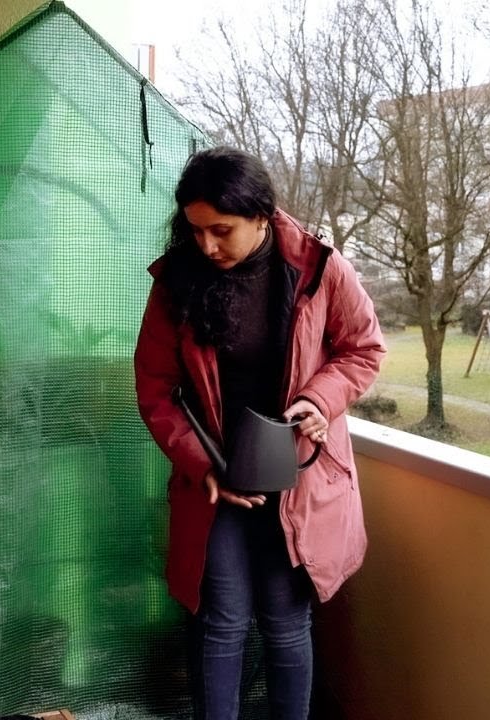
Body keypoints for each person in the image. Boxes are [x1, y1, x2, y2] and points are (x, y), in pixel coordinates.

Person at [134, 146, 386, 720]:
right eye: (195, 231)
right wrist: (201, 466)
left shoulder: (321, 268)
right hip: (216, 478)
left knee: (284, 619)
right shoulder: (176, 281)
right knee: (220, 620)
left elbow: (364, 350)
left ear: (261, 217)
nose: (205, 246)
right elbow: (155, 385)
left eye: (221, 231)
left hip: (297, 474)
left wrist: (320, 400)